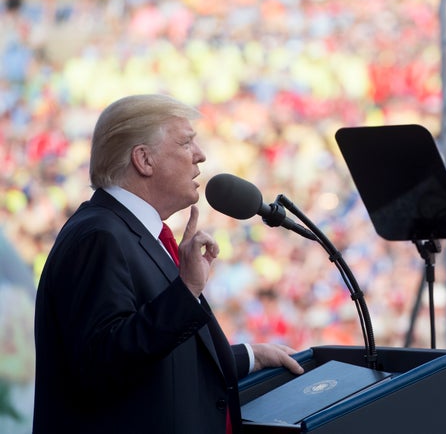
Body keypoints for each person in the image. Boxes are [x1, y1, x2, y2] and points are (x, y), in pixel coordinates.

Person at [33, 94, 305, 434]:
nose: (200, 155)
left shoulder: (132, 233)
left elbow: (161, 358)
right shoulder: (98, 236)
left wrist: (251, 356)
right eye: (186, 142)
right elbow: (103, 362)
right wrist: (186, 290)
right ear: (144, 159)